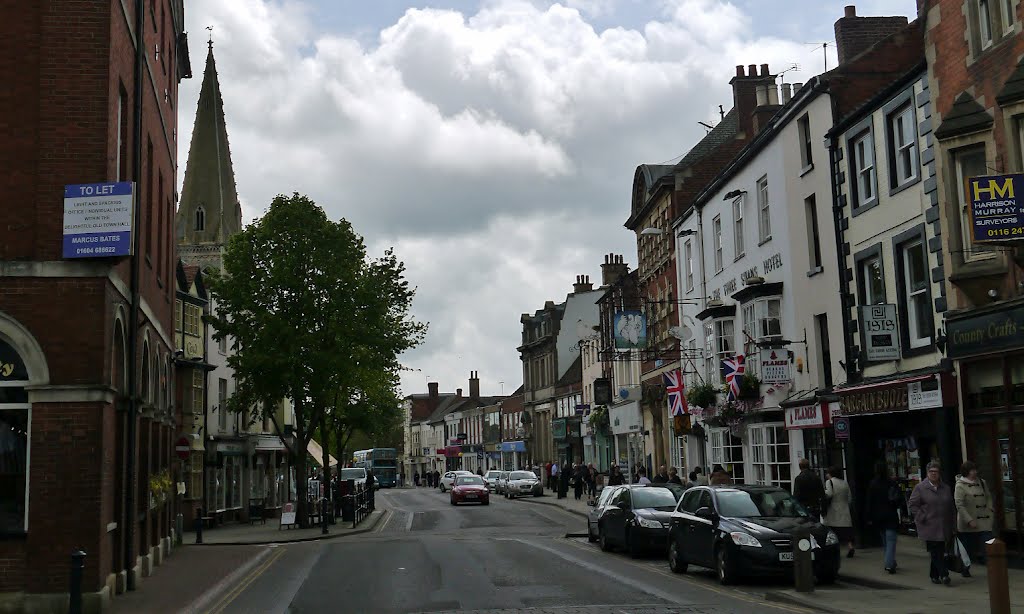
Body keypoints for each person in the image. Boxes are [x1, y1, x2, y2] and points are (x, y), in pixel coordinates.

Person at [908, 461, 957, 585]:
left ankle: (934, 575)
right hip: (928, 526)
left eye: (936, 471)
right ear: (927, 473)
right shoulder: (920, 488)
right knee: (936, 550)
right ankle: (944, 574)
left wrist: (954, 524)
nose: (934, 474)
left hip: (943, 525)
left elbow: (951, 507)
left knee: (938, 551)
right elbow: (912, 505)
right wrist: (922, 516)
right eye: (931, 472)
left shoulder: (945, 488)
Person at [954, 460, 994, 578]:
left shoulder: (982, 482)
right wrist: (969, 520)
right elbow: (959, 505)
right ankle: (965, 568)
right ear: (966, 472)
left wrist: (991, 509)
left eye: (975, 470)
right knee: (967, 549)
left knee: (988, 544)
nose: (975, 472)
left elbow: (988, 497)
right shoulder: (960, 485)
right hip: (968, 523)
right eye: (972, 470)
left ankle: (993, 568)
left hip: (984, 520)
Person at [866, 461, 902, 574]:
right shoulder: (891, 483)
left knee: (885, 540)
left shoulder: (873, 484)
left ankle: (890, 560)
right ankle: (889, 563)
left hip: (878, 516)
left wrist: (869, 516)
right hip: (890, 514)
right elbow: (897, 500)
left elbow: (869, 502)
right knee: (891, 540)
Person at [824, 466, 855, 558]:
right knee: (846, 532)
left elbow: (829, 494)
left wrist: (823, 493)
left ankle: (833, 550)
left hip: (833, 510)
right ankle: (850, 547)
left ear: (830, 474)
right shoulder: (844, 483)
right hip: (844, 509)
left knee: (832, 531)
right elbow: (849, 498)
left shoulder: (829, 482)